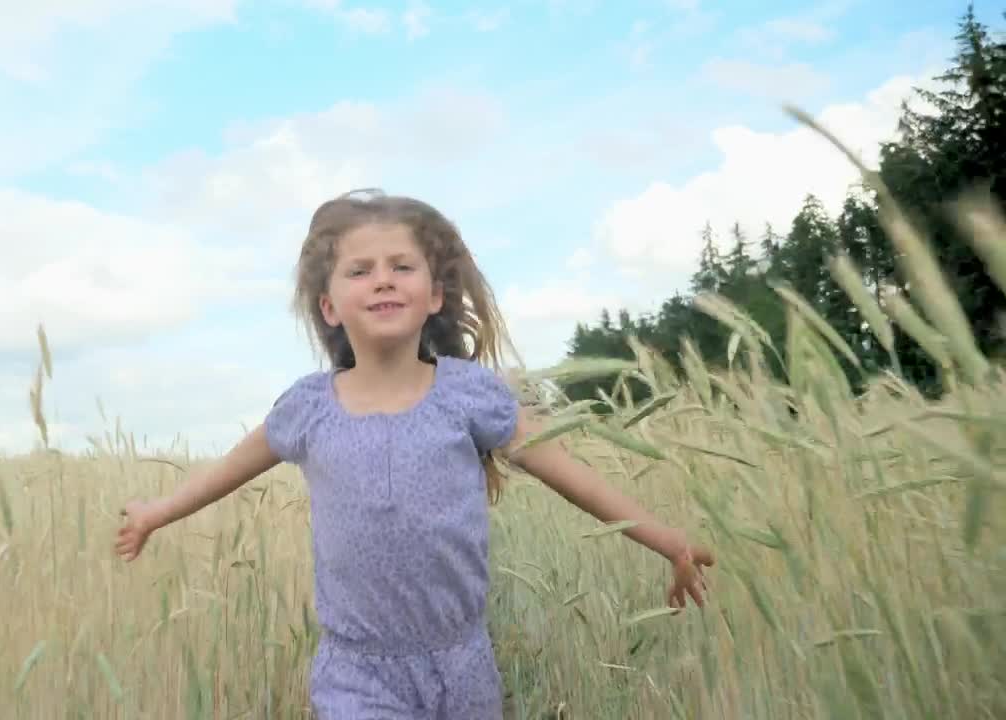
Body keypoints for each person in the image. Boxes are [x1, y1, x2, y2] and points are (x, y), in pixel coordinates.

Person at [115, 189, 715, 719]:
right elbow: (227, 471)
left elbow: (572, 477)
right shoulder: (309, 409)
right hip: (357, 671)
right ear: (329, 306)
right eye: (360, 270)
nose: (382, 279)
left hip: (463, 665)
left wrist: (668, 542)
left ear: (433, 296)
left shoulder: (468, 396)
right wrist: (155, 513)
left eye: (402, 266)